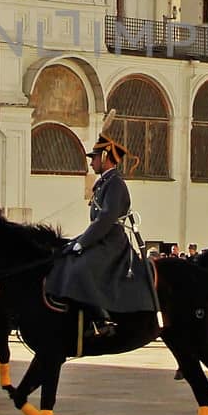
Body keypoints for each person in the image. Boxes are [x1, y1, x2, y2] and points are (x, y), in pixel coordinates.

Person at [46, 124, 157, 335]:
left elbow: (106, 219)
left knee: (83, 267)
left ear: (105, 157)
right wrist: (76, 241)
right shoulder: (104, 183)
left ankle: (101, 318)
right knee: (68, 256)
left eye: (94, 158)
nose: (91, 162)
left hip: (112, 242)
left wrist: (83, 242)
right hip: (101, 238)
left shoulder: (115, 184)